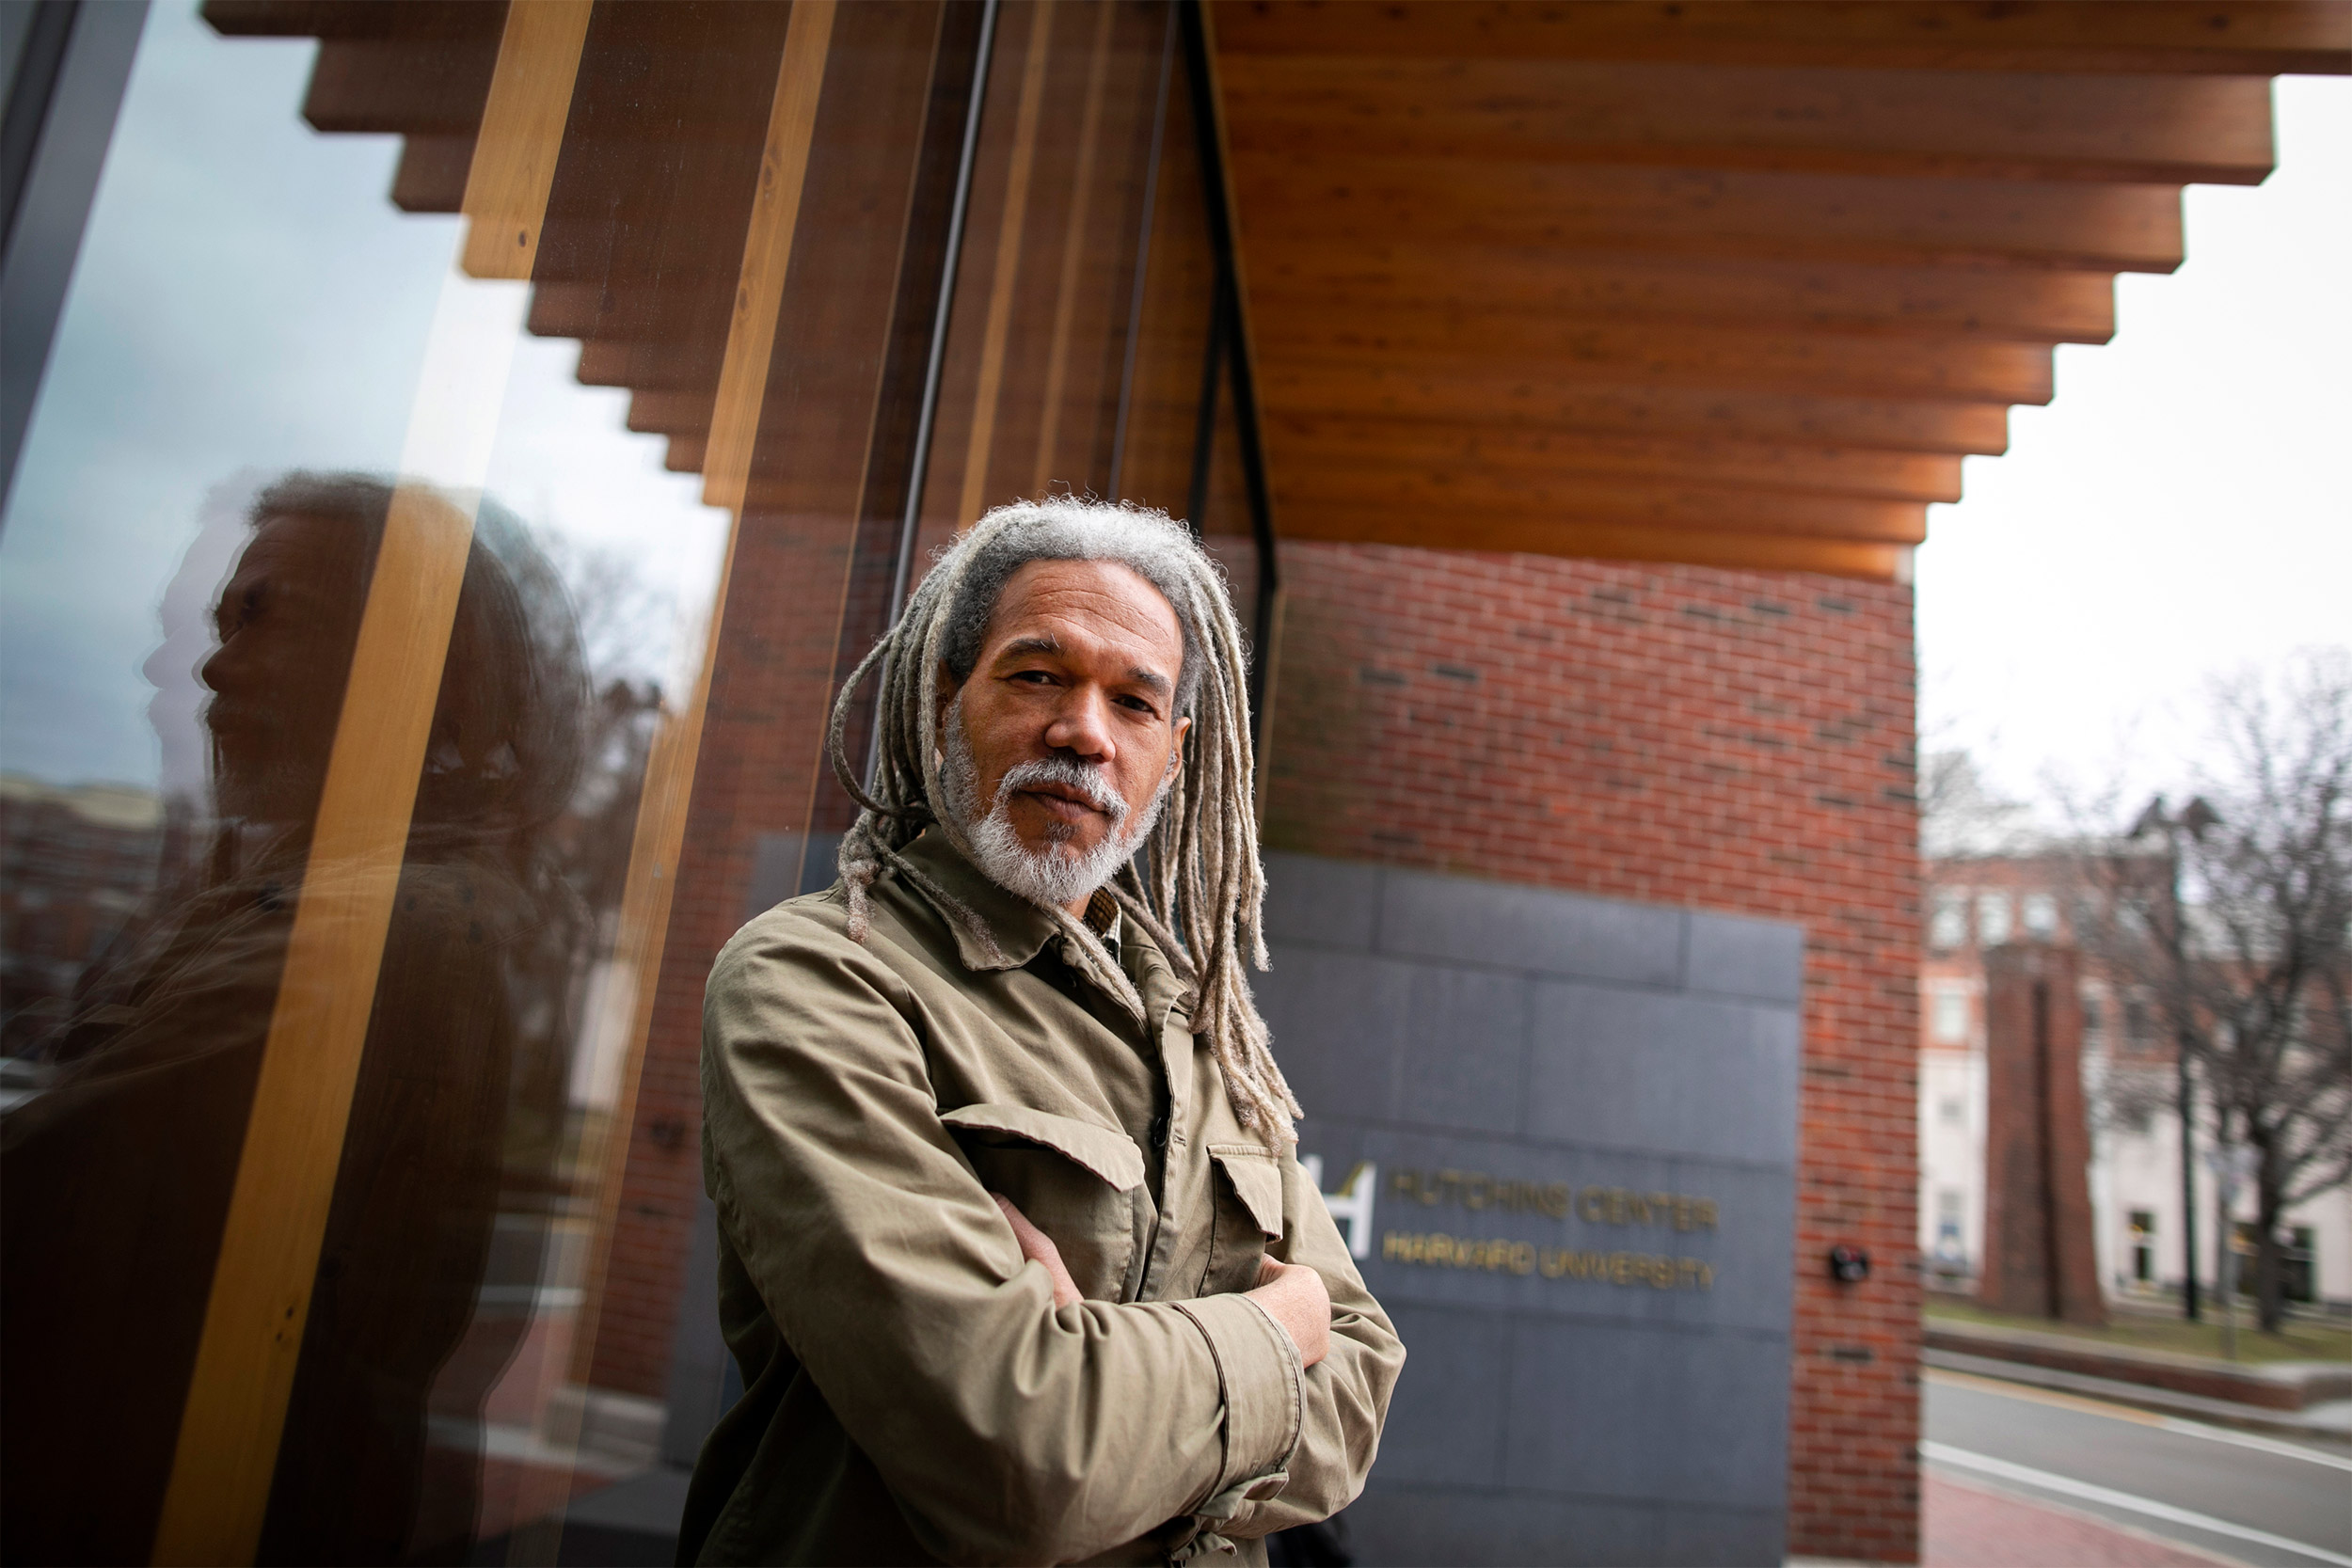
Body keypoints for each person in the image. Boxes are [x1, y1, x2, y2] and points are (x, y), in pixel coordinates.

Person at [682, 499, 1402, 1566]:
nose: (1085, 732)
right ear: (942, 696)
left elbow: (1354, 1405)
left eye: (1135, 700)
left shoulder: (1207, 1036)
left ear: (1176, 752)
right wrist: (1275, 1329)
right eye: (1036, 675)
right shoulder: (818, 979)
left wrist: (1104, 1371)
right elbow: (1024, 1457)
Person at [0, 475, 586, 1564]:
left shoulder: (375, 934)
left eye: (271, 616)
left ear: (413, 672)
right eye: (224, 621)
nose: (210, 666)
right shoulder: (344, 896)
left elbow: (50, 1211)